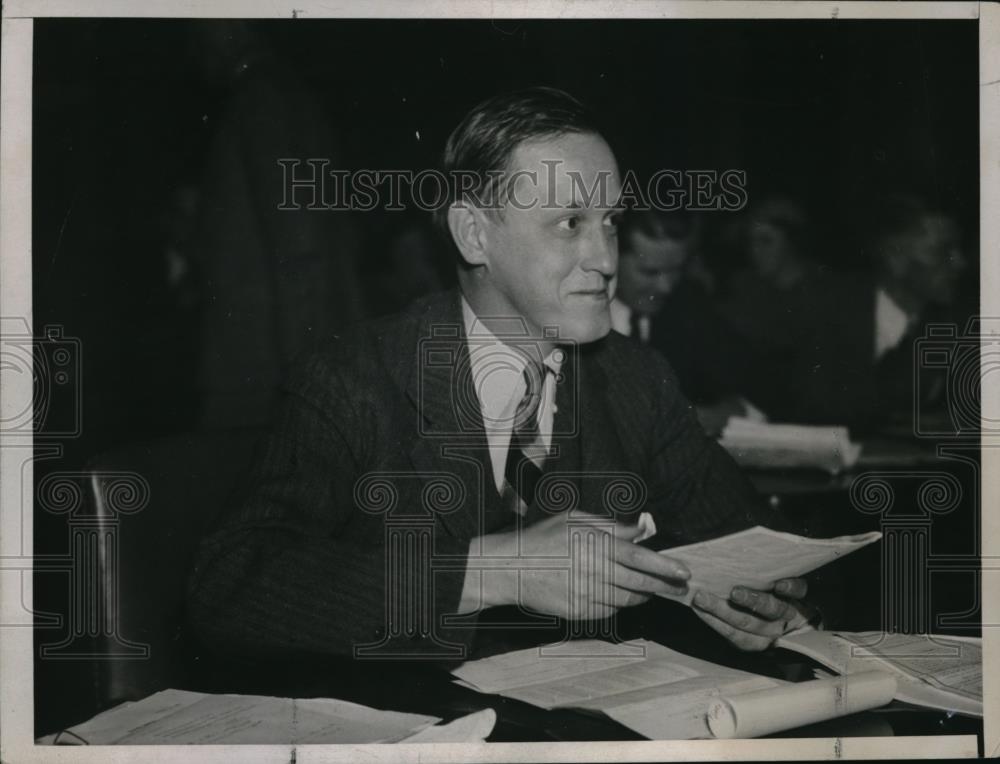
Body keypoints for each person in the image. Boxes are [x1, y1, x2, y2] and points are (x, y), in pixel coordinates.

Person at [187, 87, 813, 664]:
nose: (604, 258)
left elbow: (754, 543)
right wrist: (492, 568)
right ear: (473, 235)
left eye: (611, 222)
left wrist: (773, 605)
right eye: (571, 223)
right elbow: (231, 584)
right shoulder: (354, 378)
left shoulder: (637, 378)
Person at [767, 192, 970, 429]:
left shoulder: (960, 323)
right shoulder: (823, 310)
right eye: (943, 251)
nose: (960, 262)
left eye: (959, 249)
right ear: (894, 256)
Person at [609, 209, 760, 435]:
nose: (666, 287)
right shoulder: (567, 318)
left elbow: (753, 400)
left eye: (676, 270)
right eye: (650, 272)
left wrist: (713, 414)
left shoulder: (691, 309)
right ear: (608, 258)